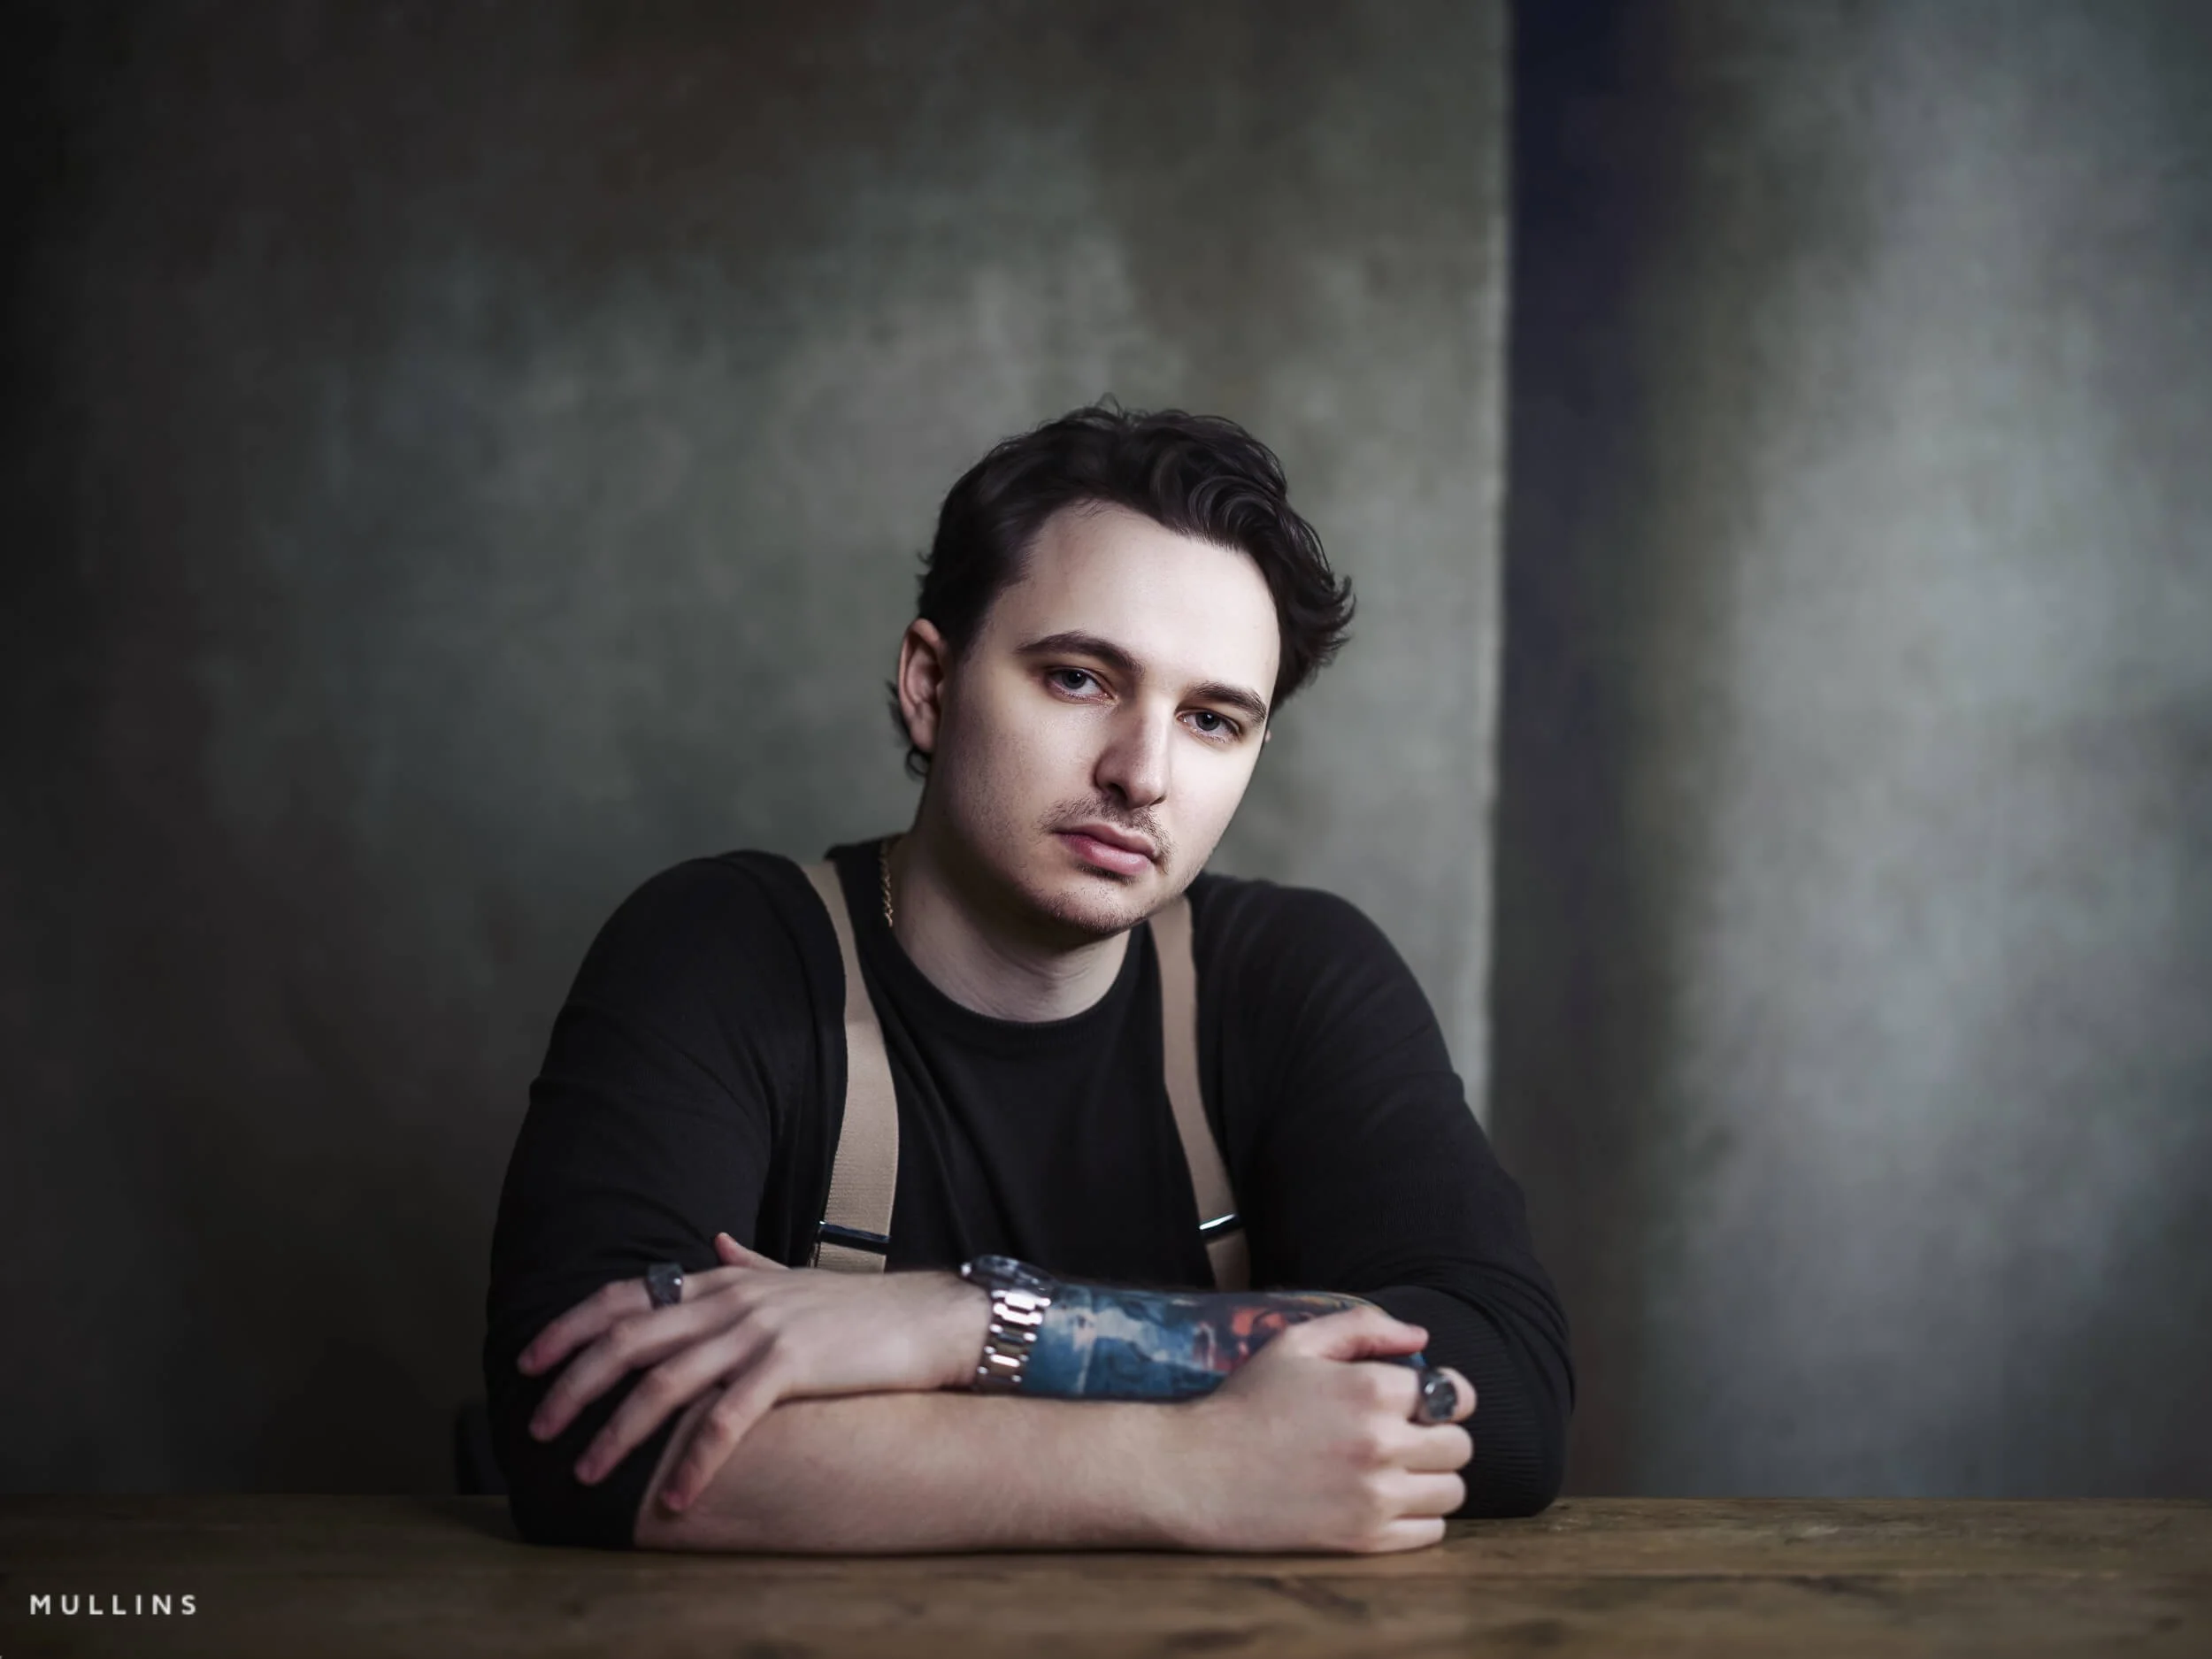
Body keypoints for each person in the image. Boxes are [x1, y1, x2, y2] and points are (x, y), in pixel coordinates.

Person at [482, 405, 1573, 1554]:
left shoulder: (1293, 977)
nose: (1143, 773)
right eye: (1078, 679)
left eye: (1211, 719)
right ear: (928, 680)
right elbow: (589, 1434)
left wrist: (971, 1322)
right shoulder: (722, 951)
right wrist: (1186, 1465)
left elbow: (1500, 1380)